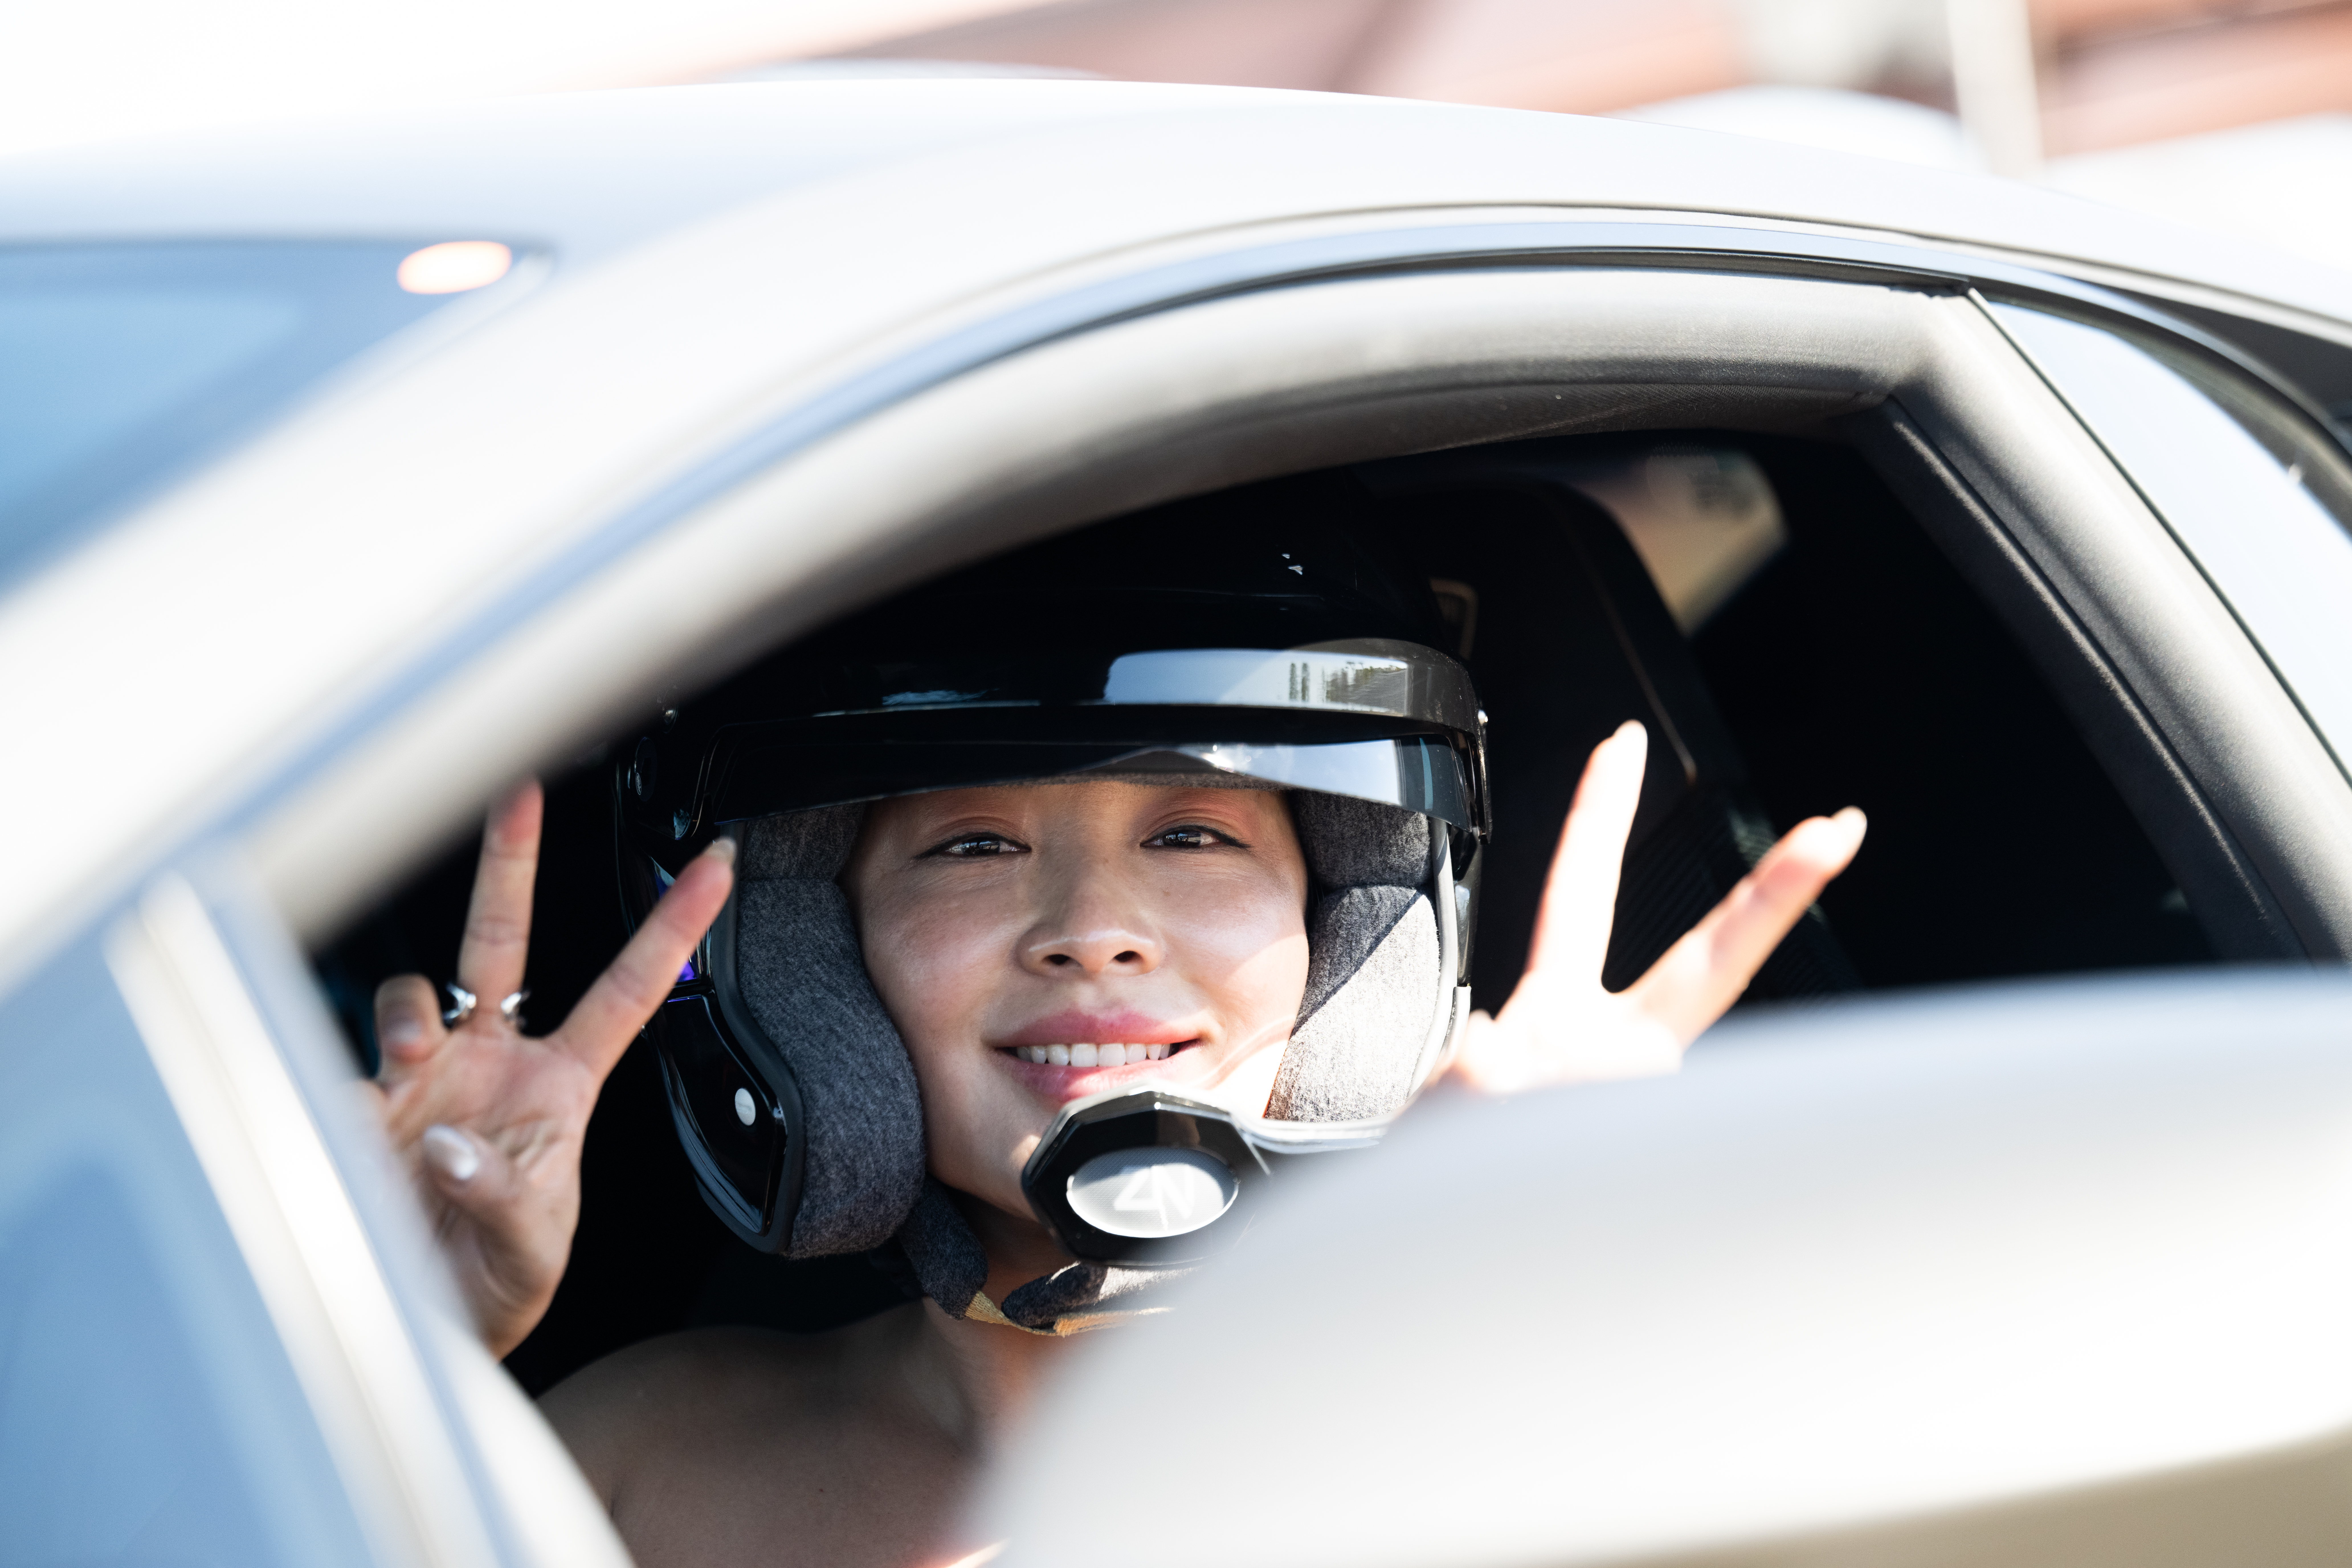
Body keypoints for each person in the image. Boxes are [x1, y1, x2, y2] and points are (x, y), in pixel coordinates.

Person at [367, 483, 1865, 1568]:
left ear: (1345, 938)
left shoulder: (1536, 1439)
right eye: (971, 844)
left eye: (1195, 836)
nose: (1094, 924)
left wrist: (1520, 1312)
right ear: (818, 966)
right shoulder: (642, 1461)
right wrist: (383, 1357)